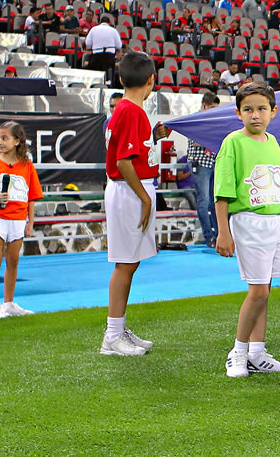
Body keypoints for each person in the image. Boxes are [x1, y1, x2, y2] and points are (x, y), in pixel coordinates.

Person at [215, 83, 280, 377]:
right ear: (238, 112)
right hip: (247, 222)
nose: (255, 115)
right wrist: (222, 231)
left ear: (273, 111)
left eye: (262, 109)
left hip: (273, 224)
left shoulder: (272, 141)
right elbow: (223, 191)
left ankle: (257, 352)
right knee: (257, 291)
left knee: (265, 290)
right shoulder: (233, 142)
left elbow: (277, 184)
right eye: (248, 109)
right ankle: (238, 351)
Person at [100, 52, 159, 356]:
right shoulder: (131, 111)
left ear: (121, 79)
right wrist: (145, 198)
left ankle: (118, 328)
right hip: (130, 190)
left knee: (130, 261)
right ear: (151, 79)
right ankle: (112, 335)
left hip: (130, 189)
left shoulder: (125, 110)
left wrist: (155, 134)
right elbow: (123, 162)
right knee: (125, 263)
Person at [0, 121, 43, 319]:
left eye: (4, 138)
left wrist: (30, 222)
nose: (0, 142)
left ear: (17, 141)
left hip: (17, 218)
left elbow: (32, 196)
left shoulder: (27, 165)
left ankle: (9, 303)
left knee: (13, 260)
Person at [188, 93, 220, 246]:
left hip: (213, 162)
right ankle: (209, 237)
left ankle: (220, 234)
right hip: (200, 163)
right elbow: (195, 142)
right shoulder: (196, 119)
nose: (215, 111)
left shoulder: (213, 121)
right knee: (204, 201)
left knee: (215, 201)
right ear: (205, 106)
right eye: (212, 108)